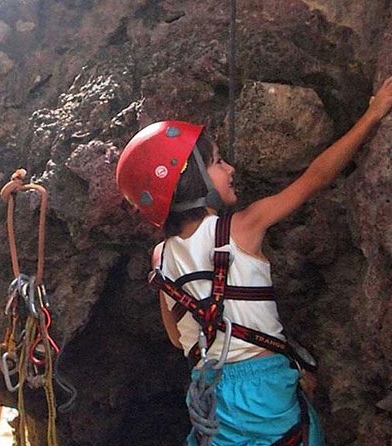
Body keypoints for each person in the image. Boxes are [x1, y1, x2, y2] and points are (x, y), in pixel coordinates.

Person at [116, 77, 392, 445]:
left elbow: (175, 336)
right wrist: (373, 114)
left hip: (210, 395)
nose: (229, 169)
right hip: (264, 389)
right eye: (216, 162)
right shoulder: (244, 228)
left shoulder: (160, 257)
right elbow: (318, 176)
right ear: (190, 180)